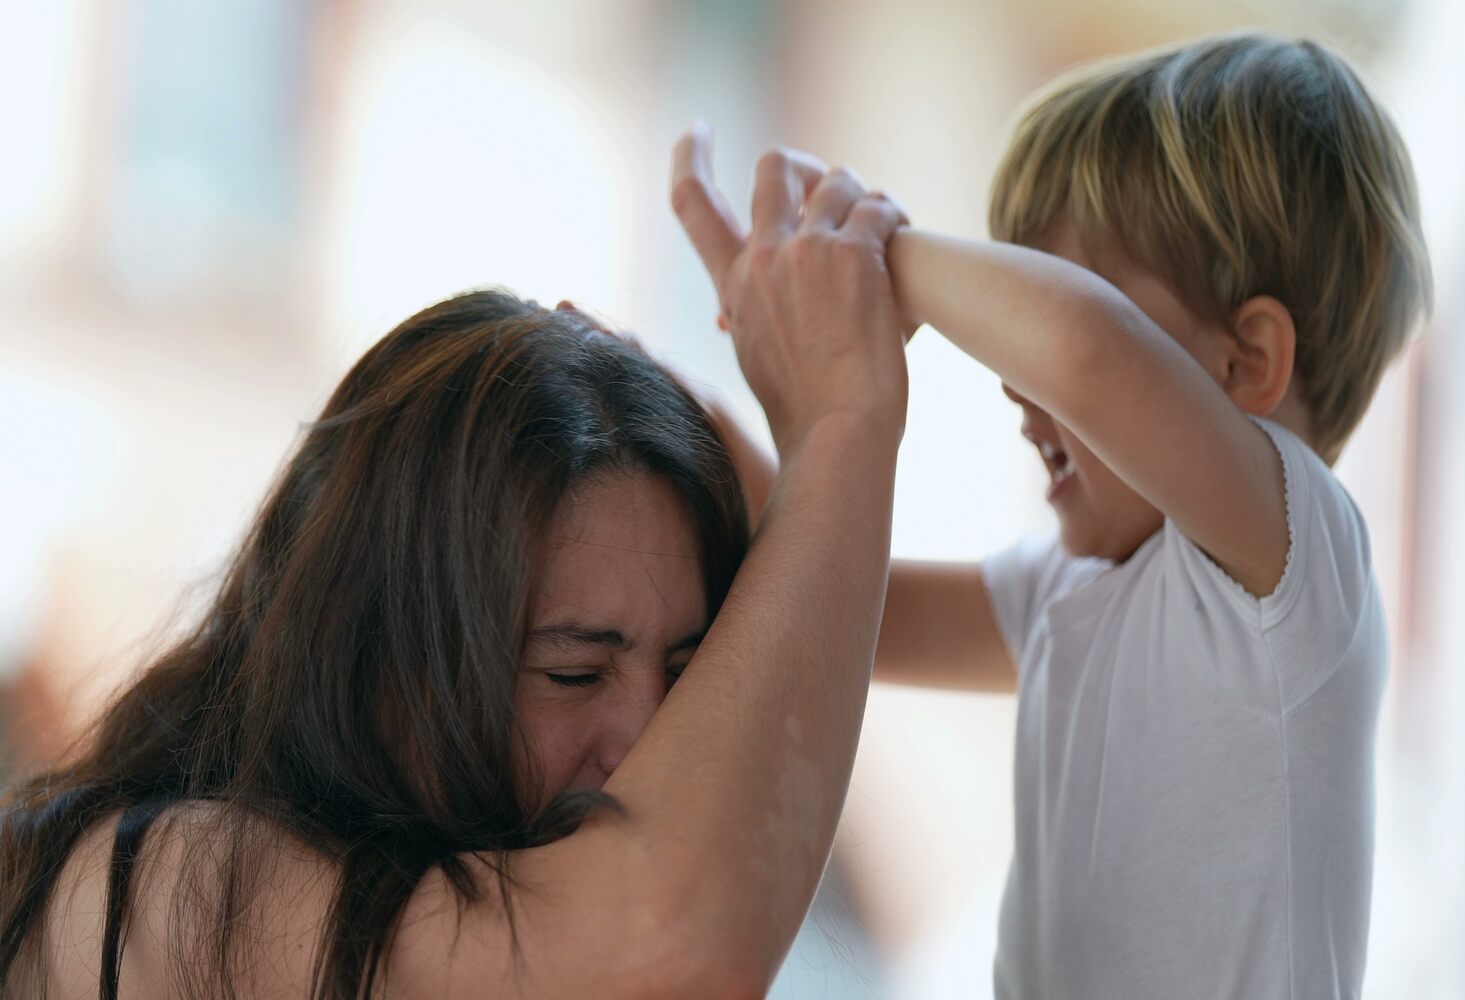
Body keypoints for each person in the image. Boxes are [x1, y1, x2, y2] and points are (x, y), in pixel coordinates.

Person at [0, 159, 910, 998]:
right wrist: (840, 426)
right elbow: (667, 956)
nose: (648, 737)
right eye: (575, 675)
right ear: (375, 650)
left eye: (688, 674)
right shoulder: (165, 880)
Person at [672, 31, 1431, 998]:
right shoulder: (1069, 591)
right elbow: (843, 597)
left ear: (1247, 364)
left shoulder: (1295, 564)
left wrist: (870, 262)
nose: (1010, 381)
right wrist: (698, 410)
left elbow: (1084, 353)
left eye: (1048, 294)